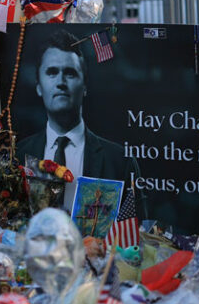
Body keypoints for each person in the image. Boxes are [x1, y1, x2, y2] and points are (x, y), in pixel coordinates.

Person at [16, 29, 140, 201]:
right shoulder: (17, 156)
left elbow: (136, 226)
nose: (60, 82)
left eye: (70, 73)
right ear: (38, 86)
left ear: (85, 86)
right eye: (52, 72)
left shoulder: (120, 163)